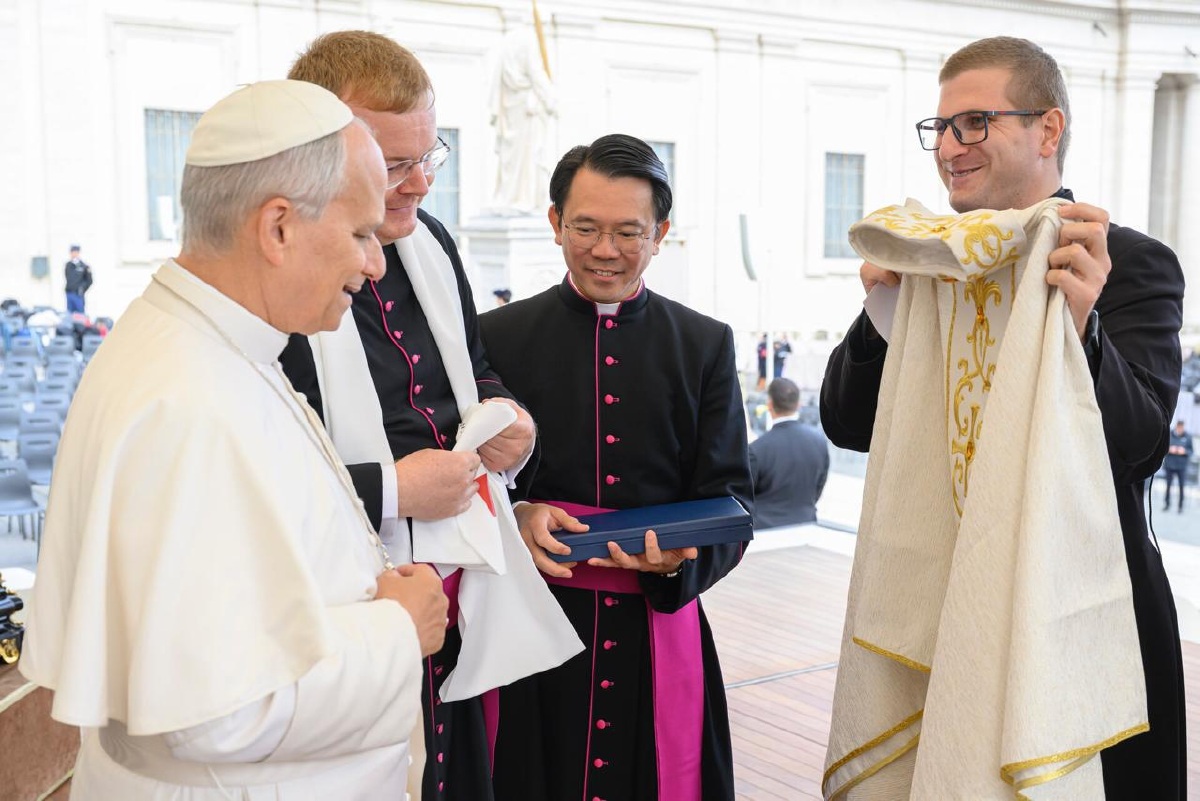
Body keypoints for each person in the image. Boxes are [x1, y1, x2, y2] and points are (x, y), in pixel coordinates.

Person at [19, 80, 448, 799]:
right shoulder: (186, 399)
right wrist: (397, 629)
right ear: (278, 227)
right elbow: (216, 711)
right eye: (360, 234)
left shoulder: (213, 345)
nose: (375, 265)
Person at [820, 37, 1185, 799]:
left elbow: (1143, 447)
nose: (950, 147)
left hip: (1082, 609)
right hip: (945, 601)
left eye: (975, 123)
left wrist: (1083, 328)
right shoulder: (928, 258)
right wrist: (882, 310)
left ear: (1048, 130)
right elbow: (847, 425)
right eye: (941, 127)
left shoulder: (1126, 261)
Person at [280, 31, 579, 801]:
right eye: (394, 164)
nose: (420, 184)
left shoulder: (433, 241)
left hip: (455, 582)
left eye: (429, 156)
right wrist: (393, 490)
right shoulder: (278, 277)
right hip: (344, 605)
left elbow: (471, 370)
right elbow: (254, 480)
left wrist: (512, 421)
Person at [479, 133, 753, 801]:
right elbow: (467, 479)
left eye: (629, 232)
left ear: (661, 233)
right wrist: (516, 512)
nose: (606, 249)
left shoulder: (704, 344)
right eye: (586, 228)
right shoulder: (494, 337)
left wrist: (681, 564)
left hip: (654, 631)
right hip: (534, 628)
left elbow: (732, 503)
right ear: (555, 223)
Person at [749, 377, 829, 528]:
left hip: (765, 529)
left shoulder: (757, 449)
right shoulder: (819, 441)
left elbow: (747, 496)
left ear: (770, 405)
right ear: (798, 405)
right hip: (805, 525)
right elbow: (818, 486)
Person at [1164, 420, 1194, 512]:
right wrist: (1169, 449)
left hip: (1181, 466)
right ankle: (1167, 504)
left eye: (1182, 428)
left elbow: (1191, 451)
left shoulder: (1188, 437)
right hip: (1170, 465)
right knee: (1168, 485)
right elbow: (1162, 448)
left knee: (1181, 486)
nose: (1180, 429)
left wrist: (1184, 451)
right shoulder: (1169, 435)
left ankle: (1180, 506)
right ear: (1176, 426)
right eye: (1179, 427)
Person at [64, 244, 93, 314]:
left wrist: (82, 289)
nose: (74, 254)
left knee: (80, 315)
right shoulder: (68, 265)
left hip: (78, 294)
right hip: (69, 293)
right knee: (69, 314)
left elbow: (89, 281)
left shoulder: (84, 266)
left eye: (75, 252)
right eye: (72, 252)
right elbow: (67, 276)